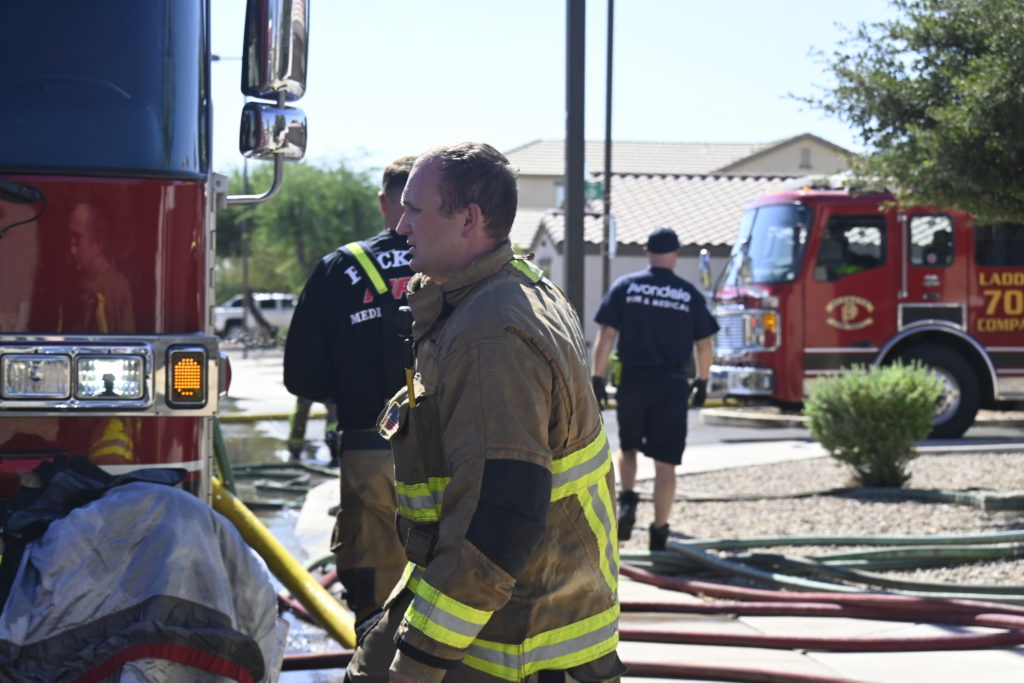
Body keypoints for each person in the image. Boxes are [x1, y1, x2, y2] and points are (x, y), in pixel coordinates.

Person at [346, 143, 624, 683]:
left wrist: (420, 660)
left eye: (416, 210)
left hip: (511, 634)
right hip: (496, 598)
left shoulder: (490, 333)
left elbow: (499, 515)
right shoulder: (509, 289)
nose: (401, 226)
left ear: (469, 219)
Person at [283, 155, 416, 627]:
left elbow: (299, 376)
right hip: (453, 447)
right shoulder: (459, 267)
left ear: (383, 201)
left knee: (376, 599)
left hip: (368, 448)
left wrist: (350, 388)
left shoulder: (339, 269)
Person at [590, 227, 719, 551]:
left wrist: (597, 377)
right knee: (666, 463)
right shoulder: (688, 294)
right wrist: (703, 381)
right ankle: (659, 532)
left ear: (647, 251)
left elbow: (606, 336)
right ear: (676, 254)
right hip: (672, 385)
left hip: (634, 380)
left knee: (628, 447)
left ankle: (628, 499)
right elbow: (704, 344)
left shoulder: (626, 287)